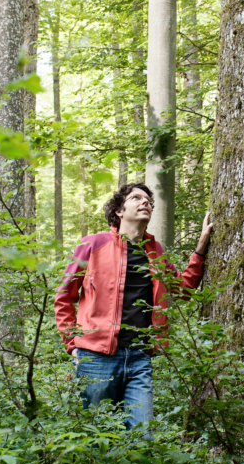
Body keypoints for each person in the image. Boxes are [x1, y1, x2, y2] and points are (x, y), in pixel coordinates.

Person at [55, 182, 213, 431]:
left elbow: (182, 290)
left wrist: (201, 248)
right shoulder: (92, 244)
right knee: (98, 436)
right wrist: (71, 344)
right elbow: (64, 296)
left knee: (143, 437)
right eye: (136, 198)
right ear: (119, 210)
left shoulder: (154, 251)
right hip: (96, 356)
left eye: (148, 199)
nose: (145, 202)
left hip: (140, 357)